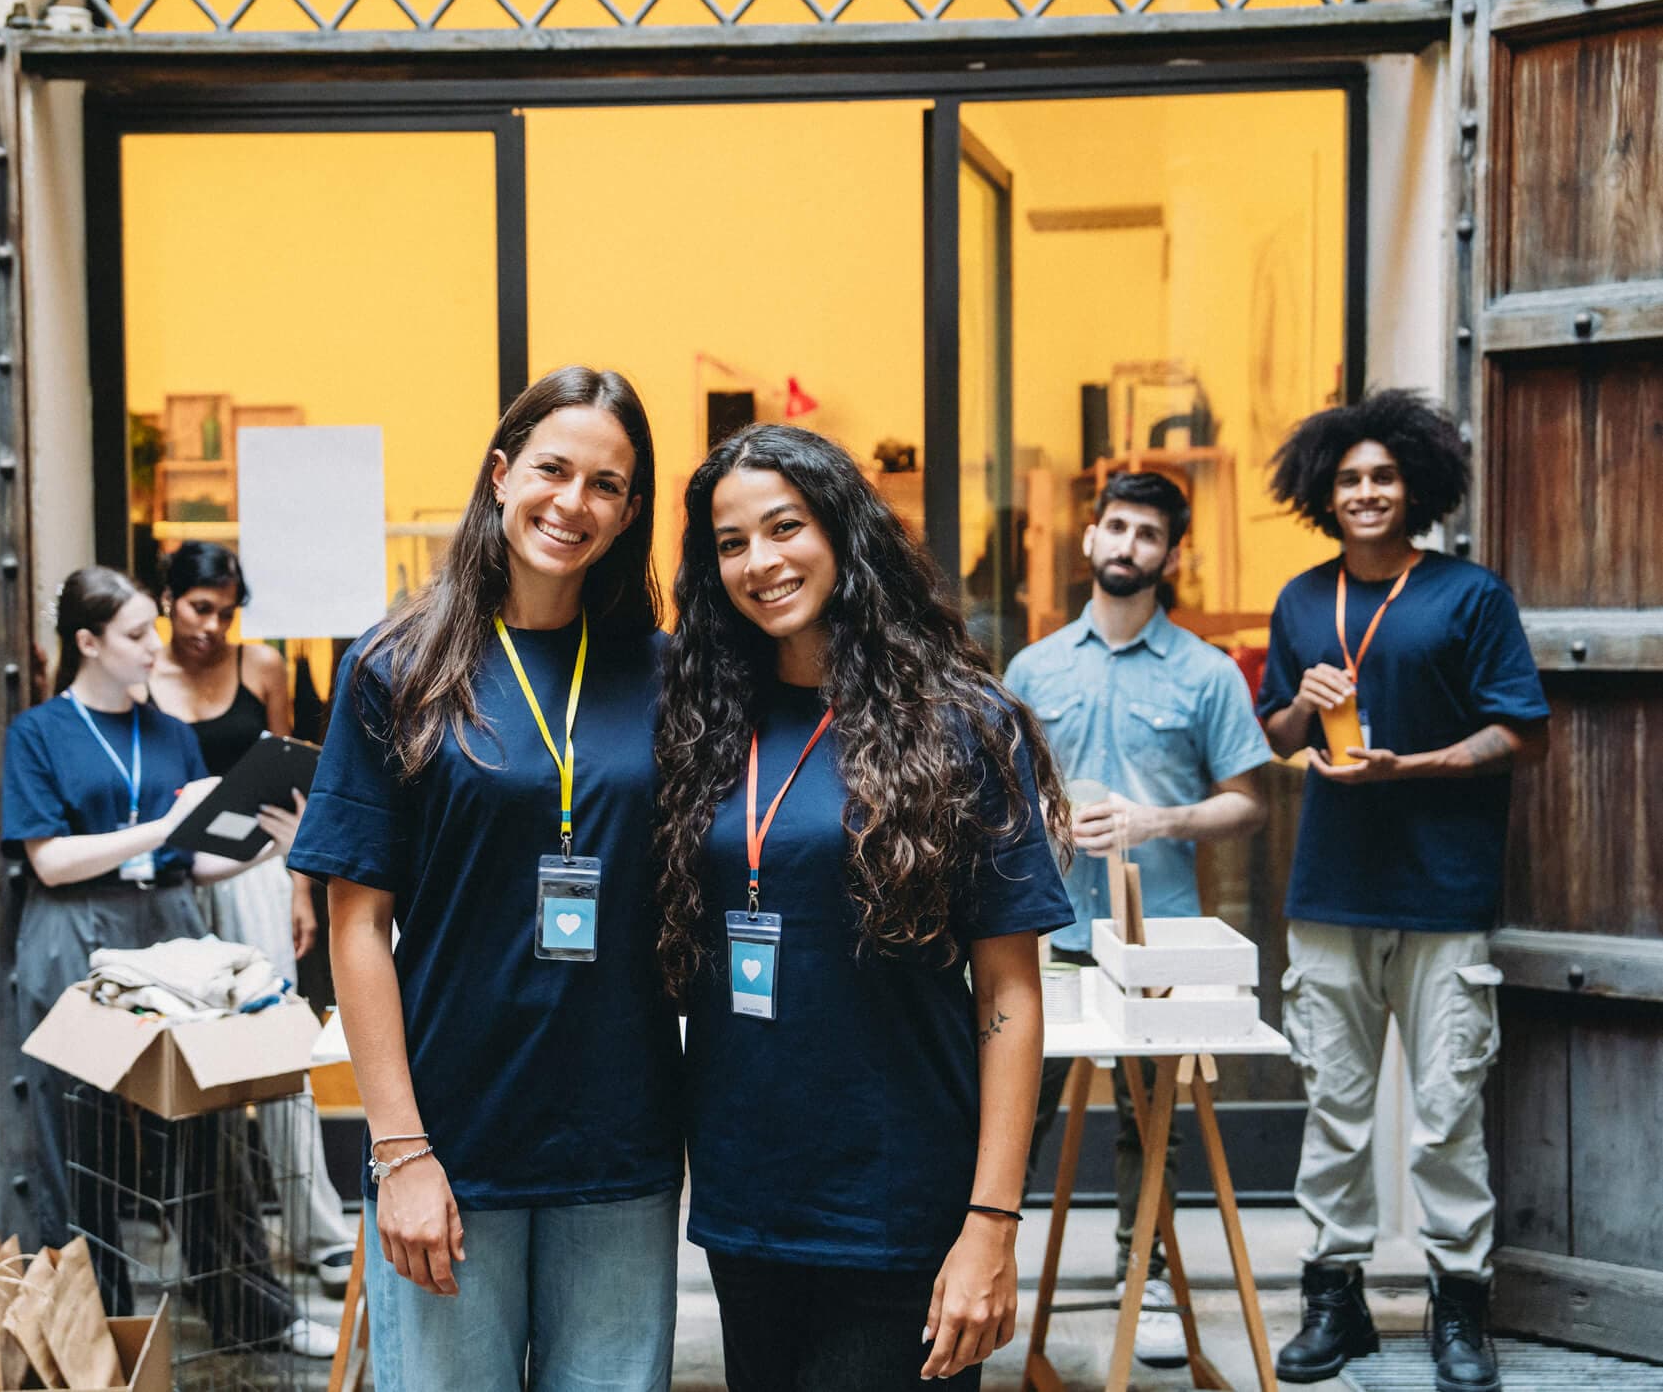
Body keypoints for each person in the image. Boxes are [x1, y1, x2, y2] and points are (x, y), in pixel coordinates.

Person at [653, 424, 1072, 1390]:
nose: (759, 562)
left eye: (783, 526)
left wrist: (991, 1225)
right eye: (729, 543)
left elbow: (1008, 996)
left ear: (842, 529)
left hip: (899, 1205)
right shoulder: (704, 721)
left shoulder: (961, 720)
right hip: (745, 1199)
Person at [287, 367, 682, 1391]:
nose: (573, 503)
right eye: (553, 469)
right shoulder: (400, 664)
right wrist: (400, 1151)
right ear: (501, 474)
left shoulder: (666, 670)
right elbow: (357, 928)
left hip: (621, 1137)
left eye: (607, 483)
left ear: (630, 509)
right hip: (452, 1134)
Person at [1258, 391, 1548, 1392]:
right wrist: (1304, 699)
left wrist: (1410, 766)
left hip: (1443, 895)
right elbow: (1277, 737)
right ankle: (1333, 1300)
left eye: (1383, 476)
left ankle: (1458, 1304)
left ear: (1415, 486)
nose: (1368, 491)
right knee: (1334, 1109)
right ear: (1324, 494)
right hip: (1329, 894)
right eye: (1350, 479)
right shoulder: (1300, 600)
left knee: (1443, 1115)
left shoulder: (1469, 595)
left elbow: (1523, 730)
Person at [3, 565, 338, 1359]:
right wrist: (162, 830)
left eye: (150, 630)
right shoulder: (38, 733)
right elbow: (50, 861)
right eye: (134, 636)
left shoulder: (167, 733)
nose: (154, 648)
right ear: (87, 643)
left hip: (169, 932)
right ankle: (93, 1330)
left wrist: (275, 843)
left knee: (205, 1125)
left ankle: (254, 1313)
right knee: (78, 1141)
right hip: (72, 932)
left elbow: (194, 858)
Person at [1002, 471, 1273, 1368]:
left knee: (1148, 1119)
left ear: (1169, 554)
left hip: (1155, 933)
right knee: (1011, 1107)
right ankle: (981, 1268)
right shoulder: (1032, 668)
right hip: (1045, 934)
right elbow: (996, 795)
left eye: (1146, 534)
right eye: (1115, 527)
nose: (1127, 545)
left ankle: (1144, 1278)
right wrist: (1038, 817)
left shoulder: (1205, 672)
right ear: (1089, 539)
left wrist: (1157, 819)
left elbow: (1248, 802)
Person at [143, 541, 357, 1298]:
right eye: (201, 608)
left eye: (227, 614)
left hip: (259, 876)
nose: (213, 627)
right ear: (167, 597)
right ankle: (218, 1234)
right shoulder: (143, 672)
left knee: (276, 1043)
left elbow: (292, 778)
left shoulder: (260, 666)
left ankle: (319, 1233)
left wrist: (301, 890)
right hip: (174, 880)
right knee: (193, 1059)